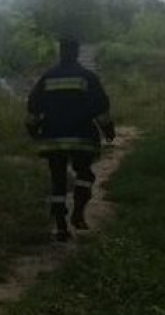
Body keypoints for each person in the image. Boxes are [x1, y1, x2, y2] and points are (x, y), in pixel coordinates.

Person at [26, 38, 115, 241]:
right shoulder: (87, 77)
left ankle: (60, 227)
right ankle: (78, 212)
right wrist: (109, 131)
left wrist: (33, 131)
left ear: (60, 53)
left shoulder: (47, 78)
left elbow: (33, 108)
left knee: (57, 182)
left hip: (53, 139)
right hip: (81, 138)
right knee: (84, 175)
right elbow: (101, 109)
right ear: (76, 52)